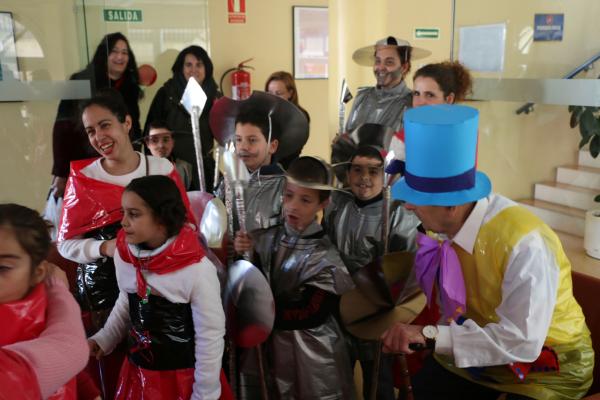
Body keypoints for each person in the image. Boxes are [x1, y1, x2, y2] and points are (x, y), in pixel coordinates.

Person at [382, 104, 593, 399]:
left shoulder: (523, 242)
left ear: (451, 206)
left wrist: (429, 334)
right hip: (481, 350)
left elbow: (523, 342)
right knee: (425, 388)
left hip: (546, 365)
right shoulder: (442, 230)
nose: (408, 206)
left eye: (418, 198)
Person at [57, 89, 192, 399]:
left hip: (160, 290)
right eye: (91, 130)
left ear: (127, 123)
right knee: (112, 368)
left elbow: (185, 229)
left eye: (105, 125)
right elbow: (65, 244)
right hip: (103, 294)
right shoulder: (83, 178)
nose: (98, 136)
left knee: (156, 372)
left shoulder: (162, 170)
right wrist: (104, 248)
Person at [88, 175, 230, 399]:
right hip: (138, 375)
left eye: (134, 214)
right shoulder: (125, 255)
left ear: (162, 219)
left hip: (183, 379)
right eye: (123, 212)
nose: (123, 222)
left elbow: (210, 335)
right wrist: (105, 337)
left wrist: (205, 392)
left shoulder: (196, 269)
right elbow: (128, 298)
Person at [234, 156, 356, 399]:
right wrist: (247, 254)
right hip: (271, 346)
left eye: (305, 200)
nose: (293, 206)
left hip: (312, 351)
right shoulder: (265, 238)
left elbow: (312, 311)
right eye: (288, 195)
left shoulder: (326, 256)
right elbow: (254, 283)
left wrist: (260, 318)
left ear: (323, 203)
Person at [322, 145, 420, 399]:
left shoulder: (399, 214)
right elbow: (326, 248)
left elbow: (407, 267)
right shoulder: (337, 205)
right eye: (357, 170)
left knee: (378, 381)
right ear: (348, 173)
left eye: (374, 171)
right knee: (339, 375)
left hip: (379, 311)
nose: (364, 178)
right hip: (339, 306)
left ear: (385, 175)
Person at [0, 204, 88, 399]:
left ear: (37, 272)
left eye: (3, 268)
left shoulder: (48, 307)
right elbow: (68, 349)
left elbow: (64, 365)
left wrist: (89, 391)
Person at [50, 32, 143, 201]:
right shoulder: (81, 80)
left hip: (123, 165)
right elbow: (62, 129)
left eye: (125, 52)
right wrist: (61, 172)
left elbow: (134, 127)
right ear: (104, 54)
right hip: (86, 162)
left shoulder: (130, 86)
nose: (120, 57)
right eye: (114, 51)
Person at [210, 92, 308, 236]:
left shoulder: (286, 187)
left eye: (252, 140)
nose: (243, 147)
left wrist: (256, 246)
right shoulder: (226, 184)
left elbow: (292, 238)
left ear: (272, 146)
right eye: (238, 140)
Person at [145, 45, 220, 191]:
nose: (194, 69)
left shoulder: (214, 97)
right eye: (188, 65)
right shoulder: (166, 94)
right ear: (181, 68)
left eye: (199, 65)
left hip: (204, 170)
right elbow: (149, 134)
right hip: (171, 169)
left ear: (207, 68)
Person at [389, 60, 473, 161]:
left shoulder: (461, 137)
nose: (420, 102)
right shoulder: (403, 139)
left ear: (449, 99)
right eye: (416, 94)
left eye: (429, 95)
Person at [344, 36, 429, 136]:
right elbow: (349, 134)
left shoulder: (413, 102)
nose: (381, 67)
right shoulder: (362, 96)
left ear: (404, 67)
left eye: (389, 62)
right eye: (378, 61)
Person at [144, 120, 194, 190]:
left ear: (173, 142)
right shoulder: (140, 169)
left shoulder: (185, 168)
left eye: (165, 140)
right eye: (154, 140)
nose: (161, 145)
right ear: (147, 144)